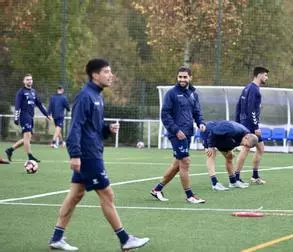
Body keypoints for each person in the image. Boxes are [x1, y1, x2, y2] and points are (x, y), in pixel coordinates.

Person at [48, 58, 149, 251]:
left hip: (92, 151)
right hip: (88, 155)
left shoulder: (97, 96)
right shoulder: (85, 96)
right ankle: (125, 239)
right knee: (107, 194)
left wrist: (107, 129)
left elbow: (92, 128)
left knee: (75, 195)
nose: (111, 75)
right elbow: (75, 127)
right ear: (95, 75)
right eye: (107, 72)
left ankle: (56, 237)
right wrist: (75, 154)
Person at [151, 66, 206, 204]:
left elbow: (197, 112)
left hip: (188, 133)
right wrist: (176, 130)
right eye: (180, 77)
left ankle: (157, 189)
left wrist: (201, 123)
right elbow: (165, 115)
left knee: (177, 165)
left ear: (190, 78)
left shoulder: (194, 93)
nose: (182, 79)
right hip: (176, 134)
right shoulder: (171, 93)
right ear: (177, 77)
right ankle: (190, 196)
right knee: (185, 162)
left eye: (185, 77)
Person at [200, 120, 259, 191]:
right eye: (246, 144)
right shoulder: (232, 129)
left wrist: (229, 150)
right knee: (211, 154)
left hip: (221, 138)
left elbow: (233, 141)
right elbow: (213, 132)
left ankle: (233, 182)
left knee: (229, 157)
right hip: (209, 132)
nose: (244, 146)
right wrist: (210, 146)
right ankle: (214, 183)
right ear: (246, 137)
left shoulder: (245, 135)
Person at [234, 66, 269, 185]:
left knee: (260, 148)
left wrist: (238, 123)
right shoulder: (254, 89)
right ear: (259, 75)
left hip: (245, 123)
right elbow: (251, 109)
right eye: (265, 75)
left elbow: (238, 106)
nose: (266, 78)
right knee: (245, 149)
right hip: (250, 124)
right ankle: (236, 177)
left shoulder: (247, 87)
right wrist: (255, 127)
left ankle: (254, 176)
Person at [5, 74, 50, 163]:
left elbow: (39, 104)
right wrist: (16, 118)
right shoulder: (21, 92)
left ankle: (10, 150)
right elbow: (17, 105)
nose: (29, 81)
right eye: (27, 79)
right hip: (24, 116)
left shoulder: (33, 91)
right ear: (24, 81)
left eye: (31, 79)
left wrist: (47, 114)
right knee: (27, 136)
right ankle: (30, 156)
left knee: (28, 138)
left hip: (30, 116)